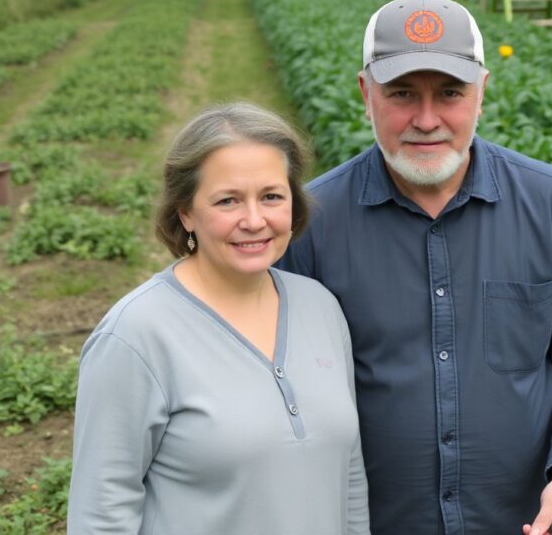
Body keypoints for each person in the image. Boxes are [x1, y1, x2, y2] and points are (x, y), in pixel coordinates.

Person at [275, 0, 552, 535]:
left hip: (522, 522)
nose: (426, 119)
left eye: (449, 93)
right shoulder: (313, 225)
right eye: (400, 93)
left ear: (482, 93)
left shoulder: (549, 205)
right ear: (365, 94)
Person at [67, 103, 369, 535]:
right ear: (185, 212)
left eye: (271, 196)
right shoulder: (135, 337)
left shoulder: (320, 306)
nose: (254, 220)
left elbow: (349, 474)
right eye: (227, 200)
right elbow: (101, 513)